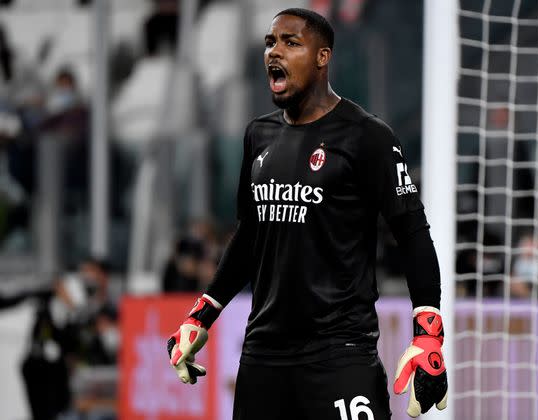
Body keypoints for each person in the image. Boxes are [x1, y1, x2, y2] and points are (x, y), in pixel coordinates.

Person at [165, 8, 448, 419]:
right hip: (263, 359)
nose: (274, 52)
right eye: (270, 43)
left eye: (290, 43)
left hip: (340, 356)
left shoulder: (367, 137)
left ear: (323, 57)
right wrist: (203, 313)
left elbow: (412, 233)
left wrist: (429, 334)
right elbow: (249, 236)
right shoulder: (258, 135)